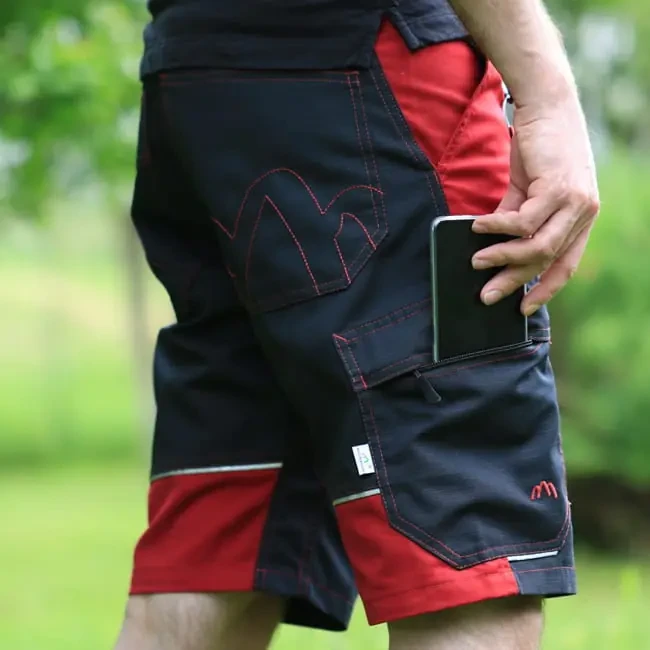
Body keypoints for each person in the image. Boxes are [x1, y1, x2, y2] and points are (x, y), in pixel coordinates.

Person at [115, 0, 599, 648]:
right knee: (469, 556)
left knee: (221, 536)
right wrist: (546, 93)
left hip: (198, 78)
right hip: (372, 67)